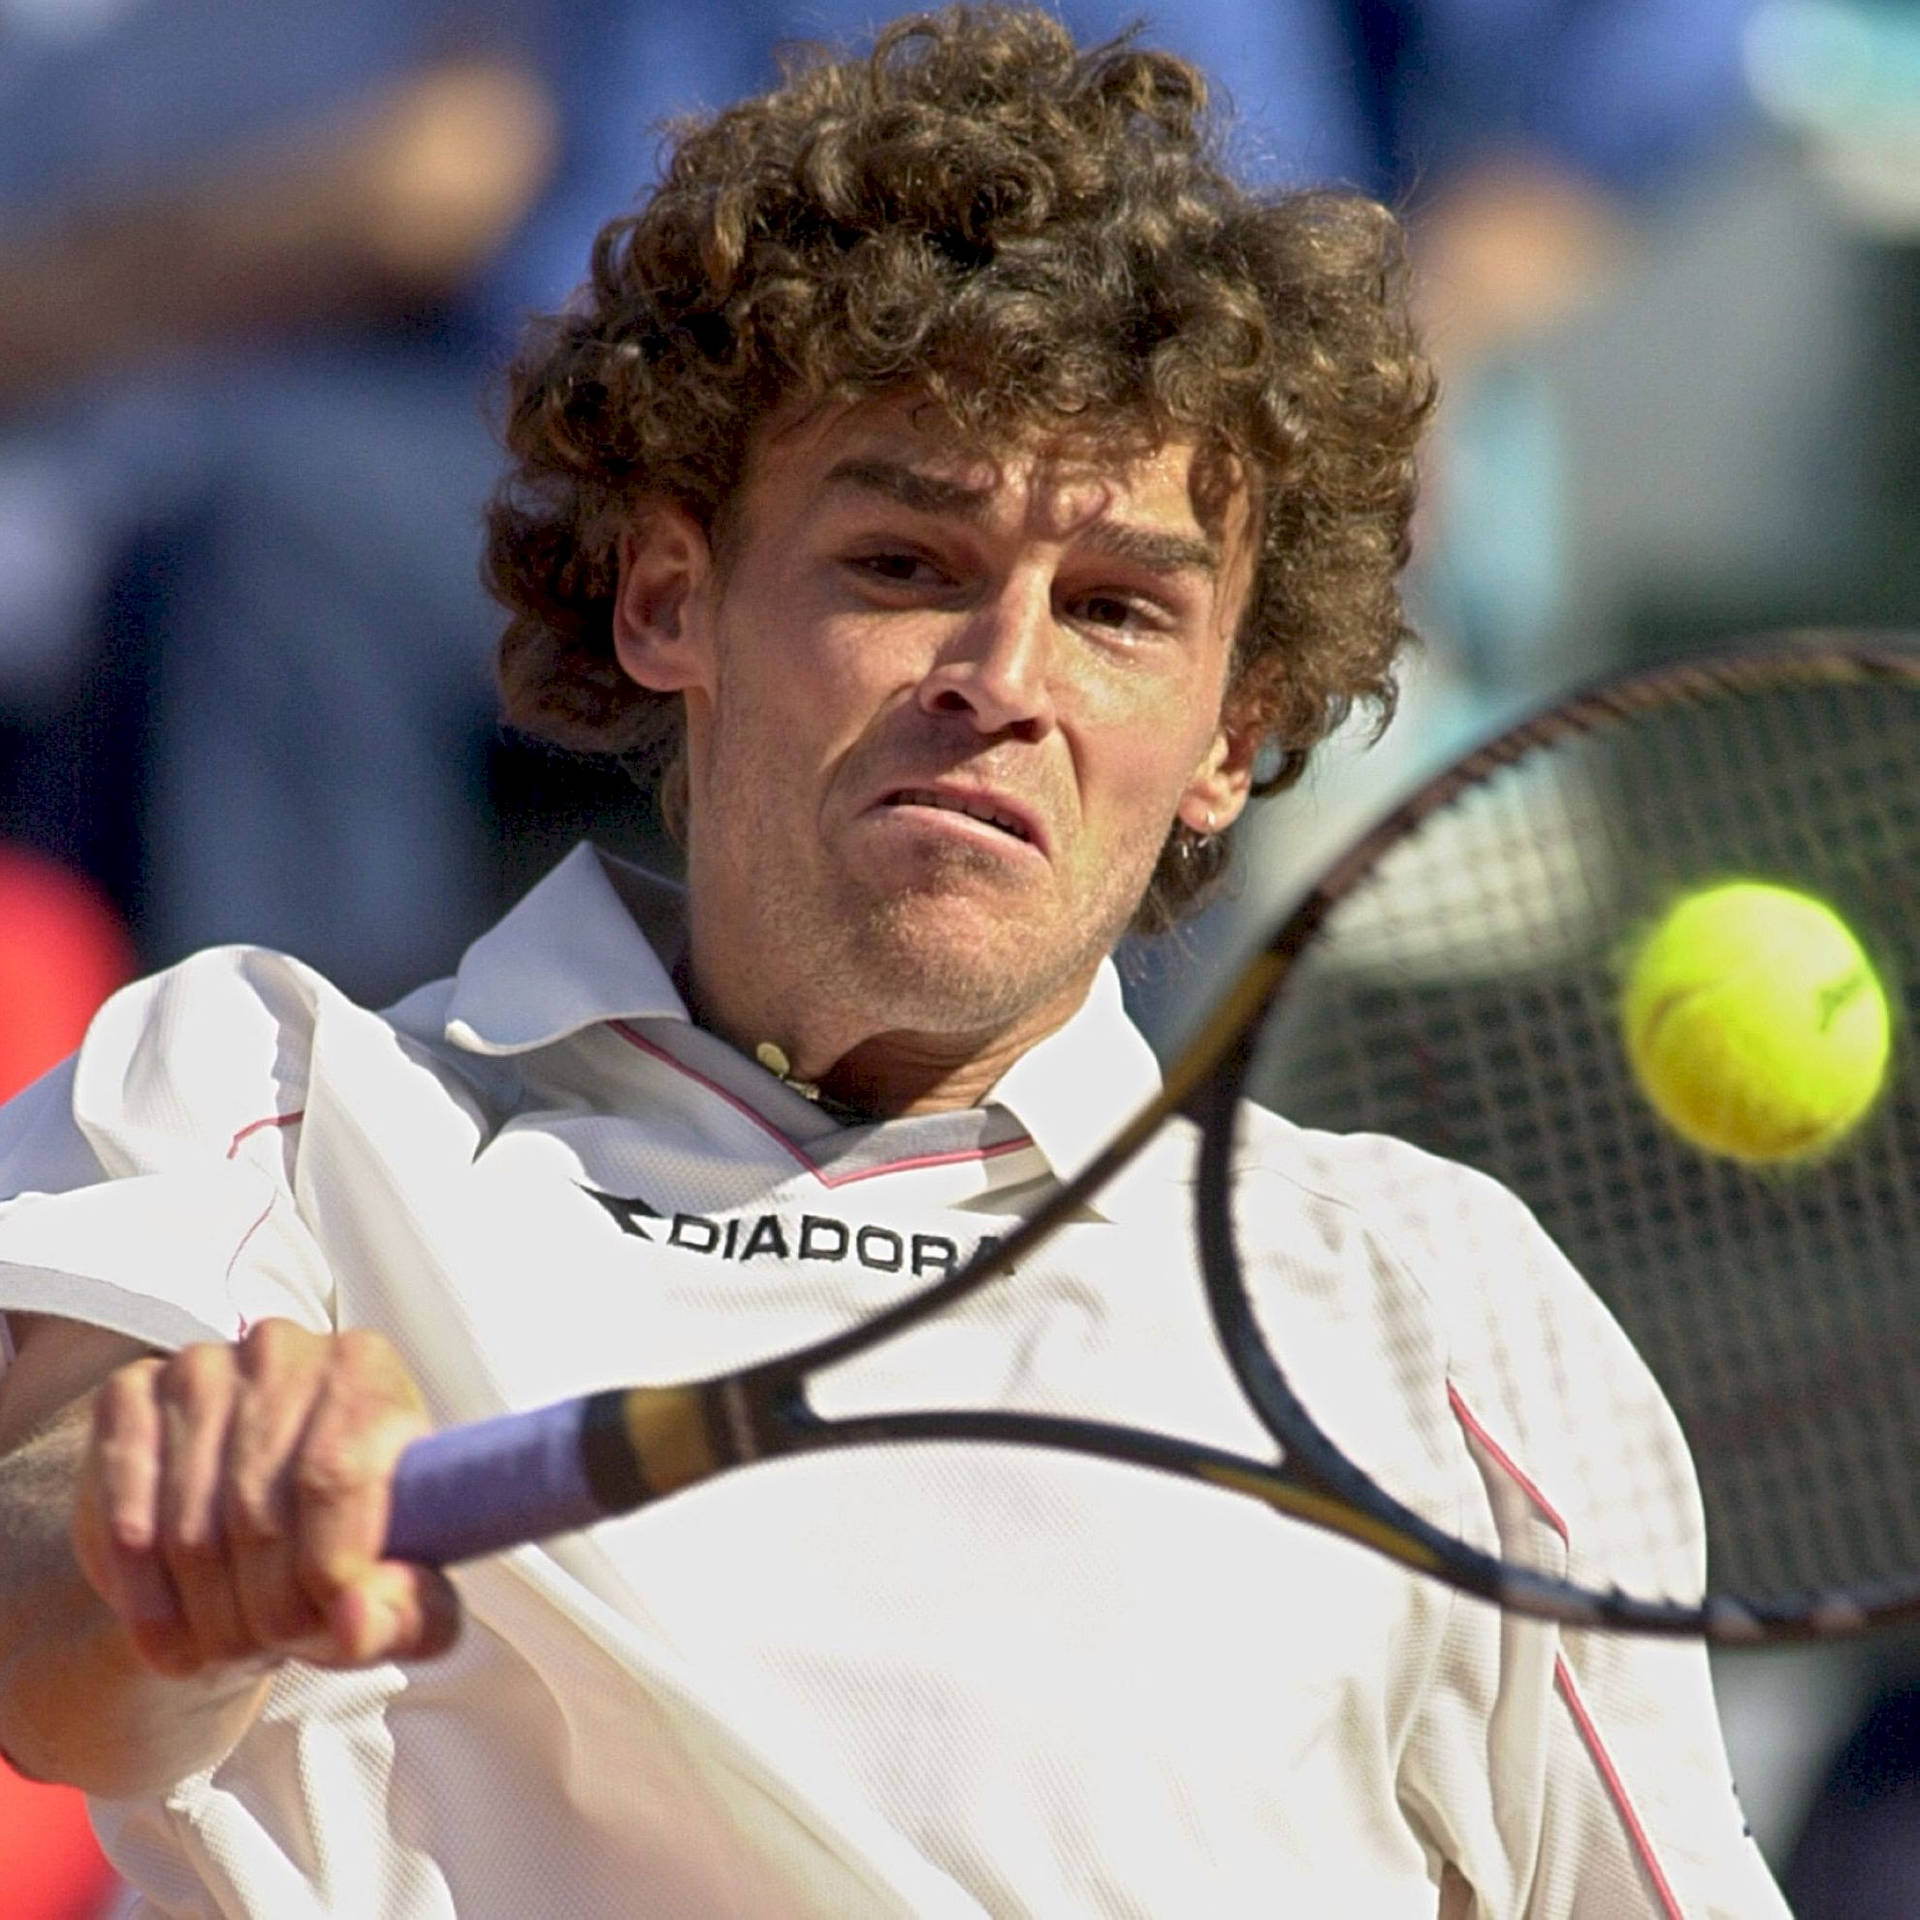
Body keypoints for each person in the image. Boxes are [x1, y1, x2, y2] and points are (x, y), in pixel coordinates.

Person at [0, 10, 1787, 1914]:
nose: (1002, 683)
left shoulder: (1433, 1304)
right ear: (670, 593)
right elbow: (42, 1633)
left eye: (1114, 611)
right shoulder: (259, 1094)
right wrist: (166, 1526)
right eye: (903, 564)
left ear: (1229, 741)